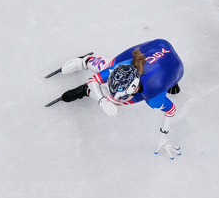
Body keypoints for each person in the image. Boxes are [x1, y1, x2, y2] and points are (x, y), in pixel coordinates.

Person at [54, 39, 183, 160]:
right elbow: (94, 80)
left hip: (170, 65)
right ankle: (87, 61)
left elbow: (171, 111)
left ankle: (88, 90)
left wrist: (163, 137)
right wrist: (102, 101)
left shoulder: (154, 98)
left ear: (135, 89)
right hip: (157, 46)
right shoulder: (126, 65)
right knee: (107, 74)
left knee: (114, 100)